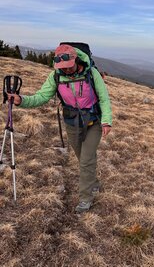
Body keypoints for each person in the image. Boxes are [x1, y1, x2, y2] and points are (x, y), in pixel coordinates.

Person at [7, 44, 112, 213]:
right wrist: (22, 100)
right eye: (62, 68)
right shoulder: (56, 76)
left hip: (94, 122)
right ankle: (93, 184)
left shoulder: (91, 74)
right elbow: (41, 97)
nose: (66, 71)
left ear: (75, 60)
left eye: (69, 67)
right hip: (72, 123)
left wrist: (107, 121)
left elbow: (104, 98)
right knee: (82, 158)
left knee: (86, 160)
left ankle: (85, 199)